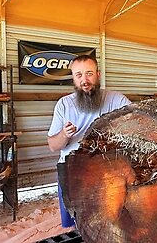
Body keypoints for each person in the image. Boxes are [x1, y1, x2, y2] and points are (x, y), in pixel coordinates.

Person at [47, 54, 131, 229]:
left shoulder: (117, 100)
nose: (84, 80)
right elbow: (53, 146)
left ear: (98, 75)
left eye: (89, 73)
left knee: (108, 225)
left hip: (107, 174)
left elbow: (137, 123)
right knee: (73, 227)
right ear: (73, 79)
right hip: (71, 172)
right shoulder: (64, 105)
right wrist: (64, 134)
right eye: (79, 75)